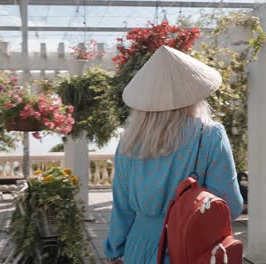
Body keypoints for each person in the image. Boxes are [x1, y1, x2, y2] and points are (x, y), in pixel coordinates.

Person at [103, 46, 243, 264]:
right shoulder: (210, 135)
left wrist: (114, 250)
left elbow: (122, 207)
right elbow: (230, 206)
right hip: (190, 251)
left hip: (139, 248)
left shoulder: (129, 141)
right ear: (193, 93)